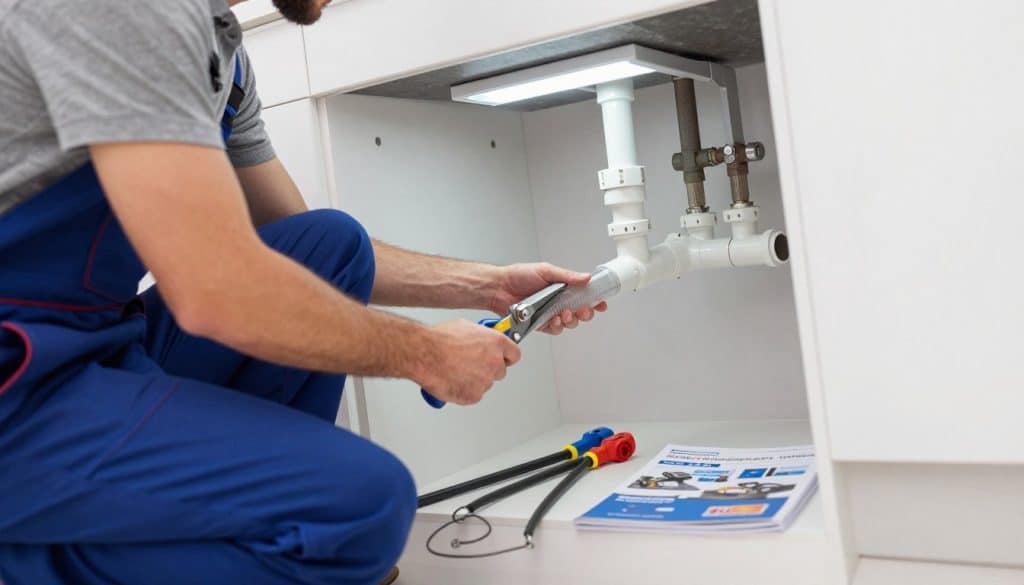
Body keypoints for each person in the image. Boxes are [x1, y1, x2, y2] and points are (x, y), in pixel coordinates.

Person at [0, 0, 606, 583]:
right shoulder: (134, 11)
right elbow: (216, 289)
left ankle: (255, 541)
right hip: (19, 387)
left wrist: (491, 287)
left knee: (329, 245)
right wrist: (428, 354)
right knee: (359, 510)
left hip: (90, 350)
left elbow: (289, 260)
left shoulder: (222, 54)